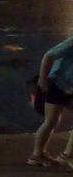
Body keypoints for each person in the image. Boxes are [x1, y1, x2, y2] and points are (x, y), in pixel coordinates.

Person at [30, 34, 73, 167]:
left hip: (67, 86)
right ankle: (63, 155)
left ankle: (38, 155)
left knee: (51, 121)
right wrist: (42, 80)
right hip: (59, 84)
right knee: (51, 121)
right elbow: (49, 55)